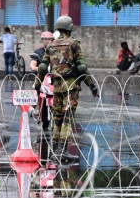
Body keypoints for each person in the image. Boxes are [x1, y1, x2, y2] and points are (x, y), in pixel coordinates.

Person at [35, 16, 99, 161]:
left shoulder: (51, 45)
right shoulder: (73, 44)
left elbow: (43, 66)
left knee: (57, 118)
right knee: (68, 118)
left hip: (56, 87)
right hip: (71, 86)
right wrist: (92, 86)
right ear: (70, 28)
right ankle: (62, 150)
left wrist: (37, 86)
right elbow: (82, 67)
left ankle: (55, 150)